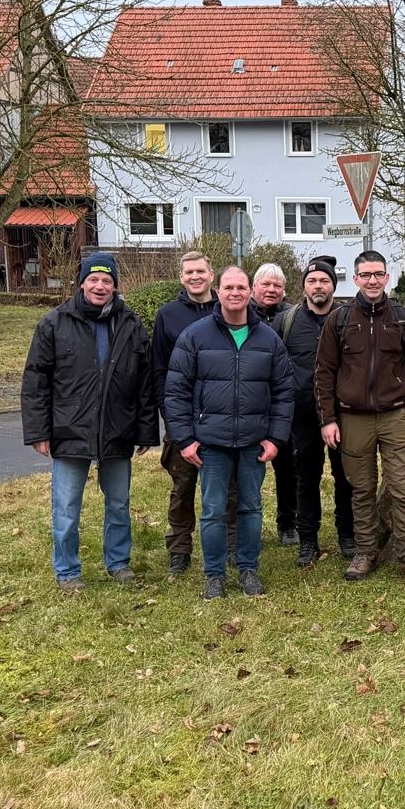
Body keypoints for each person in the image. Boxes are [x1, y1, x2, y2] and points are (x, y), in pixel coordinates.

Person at [21, 252, 158, 593]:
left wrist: (145, 430)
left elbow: (145, 382)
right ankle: (67, 571)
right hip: (69, 430)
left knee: (119, 503)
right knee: (66, 506)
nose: (100, 286)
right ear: (82, 283)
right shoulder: (54, 323)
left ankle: (118, 562)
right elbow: (35, 380)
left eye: (107, 281)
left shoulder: (130, 324)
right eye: (93, 280)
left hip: (118, 429)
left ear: (115, 286)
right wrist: (38, 431)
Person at [164, 266, 294, 600]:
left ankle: (248, 569)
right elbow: (176, 391)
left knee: (251, 507)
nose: (234, 293)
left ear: (250, 292)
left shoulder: (269, 339)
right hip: (211, 443)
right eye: (228, 287)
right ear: (218, 292)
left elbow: (283, 392)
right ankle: (214, 575)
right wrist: (185, 439)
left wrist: (275, 437)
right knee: (213, 509)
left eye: (240, 287)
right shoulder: (195, 336)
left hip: (253, 442)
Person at [315, 249, 405, 583]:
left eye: (377, 274)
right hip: (352, 418)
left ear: (386, 277)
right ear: (355, 279)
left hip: (397, 416)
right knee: (362, 489)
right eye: (365, 275)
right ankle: (365, 552)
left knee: (402, 488)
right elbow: (324, 372)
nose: (371, 280)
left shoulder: (401, 316)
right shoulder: (338, 320)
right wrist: (328, 418)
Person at [278, 255, 357, 567]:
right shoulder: (287, 322)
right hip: (303, 416)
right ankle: (307, 540)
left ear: (333, 286)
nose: (318, 285)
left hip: (344, 415)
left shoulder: (349, 319)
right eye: (312, 281)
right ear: (303, 286)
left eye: (324, 280)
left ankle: (348, 535)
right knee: (306, 478)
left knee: (346, 477)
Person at [151, 250, 219, 576]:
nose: (195, 277)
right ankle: (179, 548)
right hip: (182, 417)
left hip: (222, 416)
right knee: (182, 486)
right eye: (189, 272)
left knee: (225, 485)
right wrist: (170, 415)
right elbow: (159, 370)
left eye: (200, 271)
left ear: (211, 274)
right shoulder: (168, 315)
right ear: (181, 277)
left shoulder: (230, 309)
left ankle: (227, 545)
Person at [251, 262, 298, 546]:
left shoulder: (294, 316)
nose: (271, 290)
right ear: (254, 287)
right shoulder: (242, 316)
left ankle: (287, 524)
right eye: (265, 284)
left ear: (284, 290)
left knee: (287, 469)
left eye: (276, 285)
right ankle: (248, 524)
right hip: (252, 404)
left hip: (282, 405)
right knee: (248, 469)